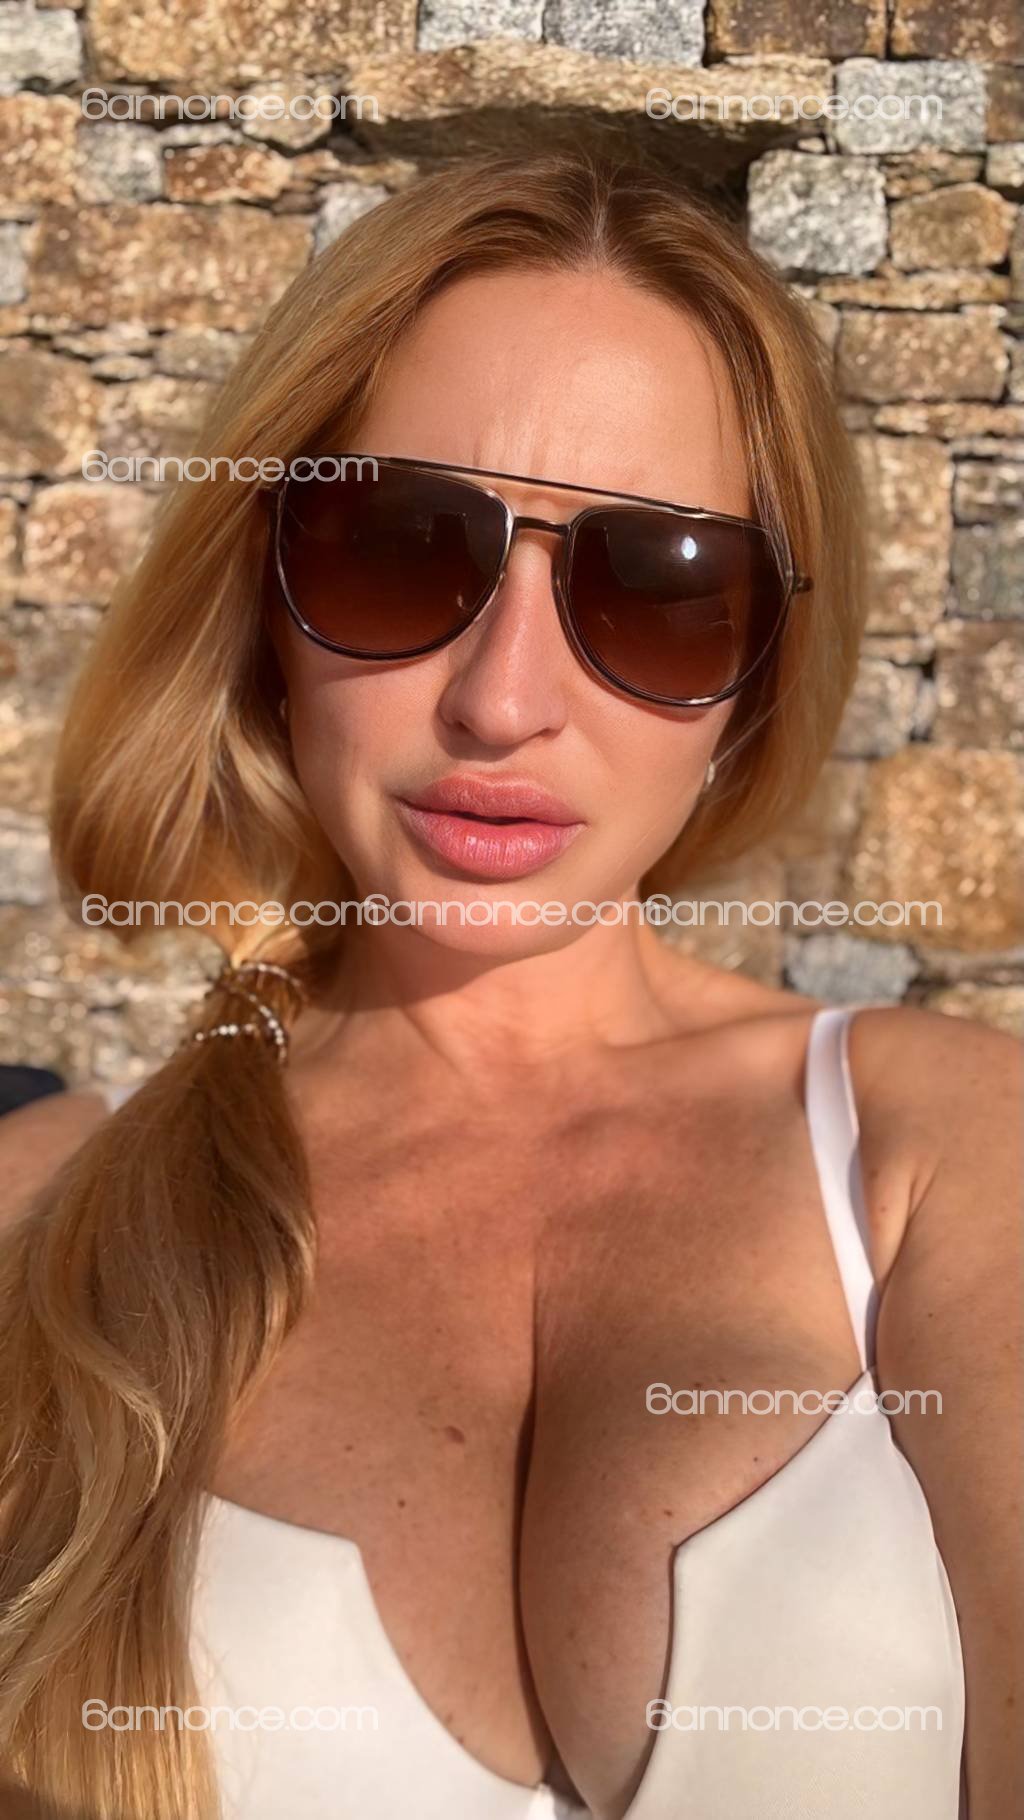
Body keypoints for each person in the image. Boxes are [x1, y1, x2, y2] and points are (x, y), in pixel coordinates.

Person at [0, 151, 1018, 1820]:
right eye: (399, 550)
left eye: (661, 588)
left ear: (756, 679)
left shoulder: (948, 1154)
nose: (502, 700)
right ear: (263, 597)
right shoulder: (38, 1223)